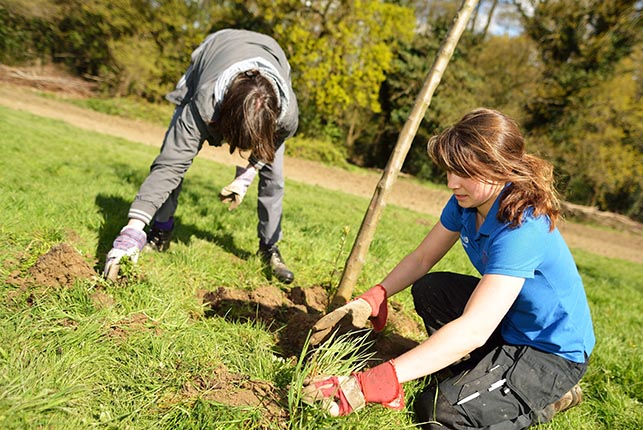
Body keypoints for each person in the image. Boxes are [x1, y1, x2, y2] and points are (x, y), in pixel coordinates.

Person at [302, 108, 595, 429]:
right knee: (431, 289)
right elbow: (422, 259)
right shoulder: (467, 202)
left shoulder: (522, 228)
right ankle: (485, 377)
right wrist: (376, 296)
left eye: (463, 172)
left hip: (548, 350)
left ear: (498, 168)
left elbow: (474, 329)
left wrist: (373, 381)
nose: (451, 182)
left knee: (441, 411)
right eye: (449, 170)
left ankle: (547, 399)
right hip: (511, 322)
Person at [103, 28, 299, 284]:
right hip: (215, 51)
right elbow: (171, 166)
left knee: (274, 178)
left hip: (272, 53)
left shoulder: (286, 116)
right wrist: (131, 233)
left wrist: (245, 178)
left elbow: (270, 147)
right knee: (172, 155)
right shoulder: (205, 102)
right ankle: (159, 230)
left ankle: (269, 248)